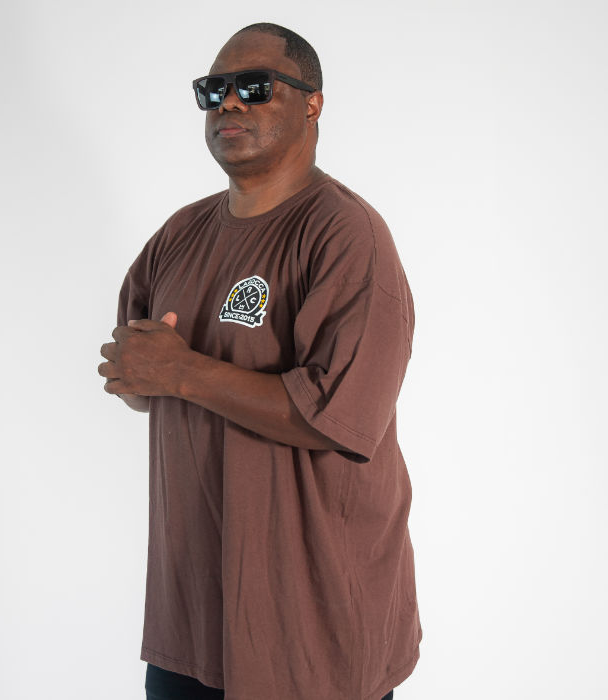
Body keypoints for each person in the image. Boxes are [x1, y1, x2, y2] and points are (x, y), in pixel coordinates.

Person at [98, 22, 422, 700]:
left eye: (254, 87)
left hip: (313, 629)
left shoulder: (345, 235)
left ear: (313, 103)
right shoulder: (179, 235)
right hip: (193, 620)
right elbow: (135, 374)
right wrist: (144, 376)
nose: (228, 103)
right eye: (212, 90)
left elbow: (336, 417)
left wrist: (181, 372)